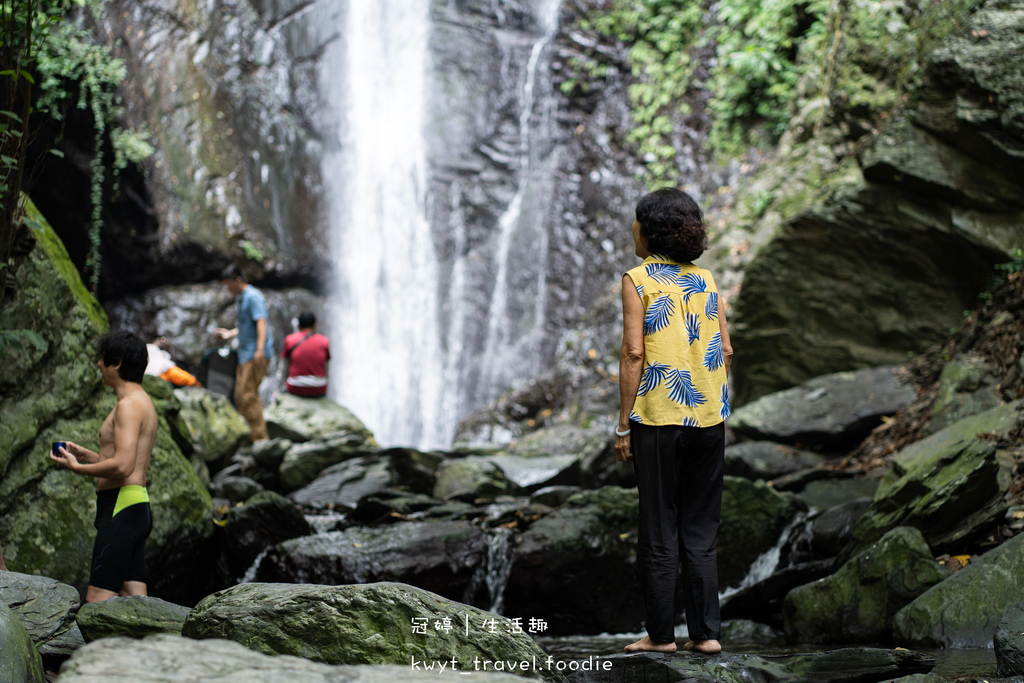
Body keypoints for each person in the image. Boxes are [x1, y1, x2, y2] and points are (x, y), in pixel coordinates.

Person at [615, 188, 733, 655]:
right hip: (708, 418)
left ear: (650, 229)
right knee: (701, 530)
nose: (632, 230)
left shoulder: (638, 279)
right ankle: (706, 636)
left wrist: (624, 425)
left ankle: (661, 637)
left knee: (660, 528)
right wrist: (715, 403)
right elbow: (724, 348)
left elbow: (632, 353)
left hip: (660, 417)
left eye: (636, 222)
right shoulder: (705, 280)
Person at [49, 331, 158, 603]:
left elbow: (122, 466)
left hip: (120, 506)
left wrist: (77, 469)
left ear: (117, 362)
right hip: (134, 504)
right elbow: (128, 461)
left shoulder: (128, 406)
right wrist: (88, 456)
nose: (98, 364)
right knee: (136, 599)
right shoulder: (141, 400)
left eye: (101, 358)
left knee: (96, 600)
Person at [215, 264, 274, 441]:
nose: (228, 289)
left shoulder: (253, 297)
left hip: (254, 354)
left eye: (229, 285)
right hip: (245, 354)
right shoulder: (241, 298)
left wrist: (259, 350)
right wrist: (228, 333)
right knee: (241, 396)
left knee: (247, 396)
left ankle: (261, 439)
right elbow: (244, 326)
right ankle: (252, 435)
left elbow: (261, 323)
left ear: (238, 280)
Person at [281, 311, 331, 397]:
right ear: (315, 325)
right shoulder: (324, 341)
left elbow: (284, 365)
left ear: (298, 326)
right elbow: (327, 365)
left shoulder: (290, 340)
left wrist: (281, 385)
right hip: (319, 387)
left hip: (295, 386)